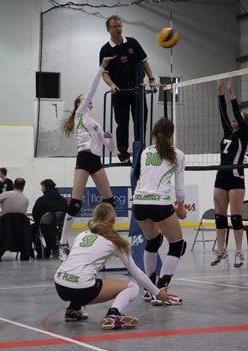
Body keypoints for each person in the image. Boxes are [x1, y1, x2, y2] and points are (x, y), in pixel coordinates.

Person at [55, 203, 175, 330]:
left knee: (84, 273)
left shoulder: (82, 234)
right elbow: (136, 273)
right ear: (113, 221)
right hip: (82, 289)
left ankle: (73, 309)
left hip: (60, 285)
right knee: (132, 287)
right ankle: (113, 315)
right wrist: (157, 292)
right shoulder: (114, 241)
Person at [58, 56, 117, 261]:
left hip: (96, 160)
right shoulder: (80, 115)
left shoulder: (95, 123)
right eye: (84, 98)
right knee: (75, 202)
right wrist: (102, 68)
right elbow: (92, 88)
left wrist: (110, 139)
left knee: (109, 201)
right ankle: (63, 243)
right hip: (84, 157)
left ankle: (106, 237)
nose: (89, 98)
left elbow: (110, 147)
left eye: (88, 98)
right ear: (79, 104)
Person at [132, 118, 187, 306]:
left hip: (139, 202)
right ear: (172, 134)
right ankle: (161, 290)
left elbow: (142, 178)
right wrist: (180, 208)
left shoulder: (145, 152)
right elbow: (179, 191)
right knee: (177, 244)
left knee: (154, 240)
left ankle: (149, 288)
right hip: (159, 203)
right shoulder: (177, 154)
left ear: (155, 133)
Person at [210, 79, 248, 268]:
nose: (233, 119)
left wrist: (232, 95)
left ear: (244, 123)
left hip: (236, 176)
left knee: (236, 217)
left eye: (238, 118)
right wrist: (220, 92)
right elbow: (223, 112)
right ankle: (221, 251)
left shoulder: (243, 134)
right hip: (221, 175)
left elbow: (235, 113)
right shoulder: (228, 132)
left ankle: (239, 253)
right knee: (219, 216)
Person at [99, 15, 156, 163]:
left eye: (120, 26)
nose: (118, 29)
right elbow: (104, 73)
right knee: (122, 122)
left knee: (140, 120)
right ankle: (123, 154)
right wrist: (112, 85)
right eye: (115, 27)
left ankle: (140, 149)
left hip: (137, 88)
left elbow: (144, 61)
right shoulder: (105, 49)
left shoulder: (132, 42)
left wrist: (151, 79)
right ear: (108, 29)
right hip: (119, 91)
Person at [31, 179, 67, 258]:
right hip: (59, 227)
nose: (41, 189)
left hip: (45, 226)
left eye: (42, 187)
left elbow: (35, 214)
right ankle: (56, 247)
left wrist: (40, 222)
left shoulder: (41, 200)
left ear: (46, 188)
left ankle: (41, 251)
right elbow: (66, 212)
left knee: (31, 229)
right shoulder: (63, 200)